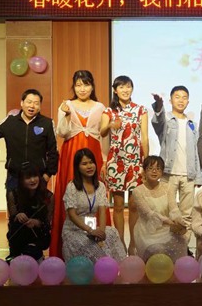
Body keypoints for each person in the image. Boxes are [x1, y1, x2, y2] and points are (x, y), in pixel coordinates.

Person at [53, 70, 110, 257]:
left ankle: (98, 240)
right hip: (71, 153)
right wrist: (66, 114)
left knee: (95, 192)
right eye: (78, 85)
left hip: (93, 152)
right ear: (73, 87)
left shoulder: (100, 107)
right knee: (72, 192)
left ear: (92, 86)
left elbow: (103, 136)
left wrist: (105, 160)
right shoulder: (66, 105)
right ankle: (70, 245)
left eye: (86, 84)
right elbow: (61, 132)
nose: (82, 89)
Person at [105, 75, 149, 253]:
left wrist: (146, 162)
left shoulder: (141, 110)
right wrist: (110, 125)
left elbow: (144, 138)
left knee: (133, 205)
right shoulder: (109, 111)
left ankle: (133, 244)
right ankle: (120, 244)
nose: (125, 90)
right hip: (116, 161)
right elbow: (102, 133)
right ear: (115, 90)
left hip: (135, 161)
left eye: (128, 86)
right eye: (121, 87)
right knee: (117, 206)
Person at [0, 88, 58, 189]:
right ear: (22, 103)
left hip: (38, 176)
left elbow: (53, 151)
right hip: (14, 175)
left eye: (36, 103)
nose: (32, 106)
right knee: (13, 199)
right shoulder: (10, 121)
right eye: (29, 102)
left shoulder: (47, 123)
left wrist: (48, 174)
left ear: (40, 106)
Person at [63, 148, 127, 262]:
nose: (89, 166)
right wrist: (90, 230)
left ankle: (121, 266)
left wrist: (101, 232)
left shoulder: (100, 186)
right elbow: (72, 215)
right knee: (94, 248)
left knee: (112, 233)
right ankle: (104, 267)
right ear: (77, 167)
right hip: (74, 230)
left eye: (91, 162)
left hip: (93, 229)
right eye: (84, 164)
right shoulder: (72, 186)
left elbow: (102, 211)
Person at [151, 85, 202, 225]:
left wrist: (198, 176)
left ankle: (185, 240)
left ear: (188, 102)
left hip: (188, 175)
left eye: (184, 98)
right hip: (169, 173)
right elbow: (157, 121)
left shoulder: (192, 124)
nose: (181, 100)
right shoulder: (166, 121)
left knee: (187, 215)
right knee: (166, 212)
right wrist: (158, 105)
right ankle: (167, 240)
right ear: (170, 100)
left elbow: (195, 151)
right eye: (177, 97)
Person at [131, 155, 190, 261]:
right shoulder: (137, 191)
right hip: (148, 231)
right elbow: (149, 214)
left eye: (158, 169)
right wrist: (169, 222)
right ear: (144, 171)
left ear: (162, 172)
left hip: (167, 229)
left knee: (182, 241)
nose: (154, 171)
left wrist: (178, 221)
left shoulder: (168, 187)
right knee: (158, 249)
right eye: (150, 168)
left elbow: (173, 208)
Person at [6, 168, 53, 261]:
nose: (32, 180)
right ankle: (15, 255)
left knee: (31, 253)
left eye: (35, 176)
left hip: (38, 235)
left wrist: (37, 222)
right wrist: (17, 216)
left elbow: (47, 223)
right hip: (19, 235)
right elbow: (12, 221)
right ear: (21, 180)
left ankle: (37, 255)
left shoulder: (48, 196)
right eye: (28, 177)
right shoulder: (13, 194)